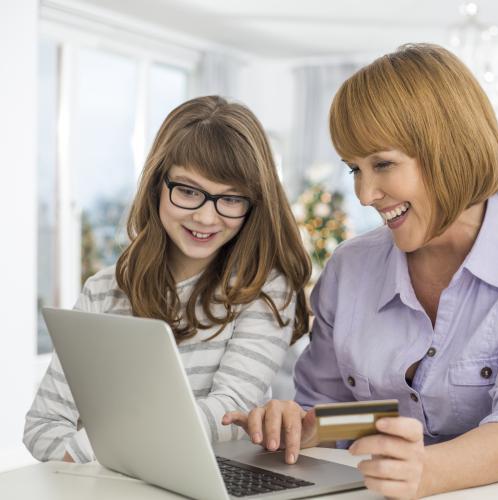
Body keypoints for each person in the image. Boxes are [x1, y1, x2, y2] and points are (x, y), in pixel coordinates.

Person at [223, 44, 498, 498]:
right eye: (354, 170)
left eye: (382, 164)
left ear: (449, 149)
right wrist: (302, 427)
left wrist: (427, 471)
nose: (364, 194)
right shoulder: (350, 267)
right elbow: (330, 408)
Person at [24, 96, 311, 463]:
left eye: (230, 199)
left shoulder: (263, 289)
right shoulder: (103, 291)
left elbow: (229, 412)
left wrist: (95, 449)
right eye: (189, 191)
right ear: (158, 185)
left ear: (253, 204)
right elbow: (43, 426)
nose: (207, 218)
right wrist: (108, 458)